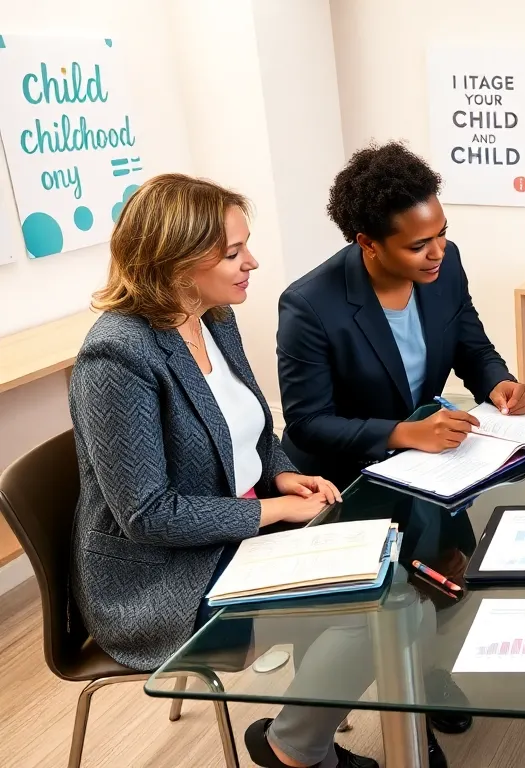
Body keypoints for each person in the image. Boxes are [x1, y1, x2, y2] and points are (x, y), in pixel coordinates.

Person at [68, 174, 394, 768]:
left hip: (233, 531)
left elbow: (249, 429)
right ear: (178, 261)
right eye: (234, 252)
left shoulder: (213, 316)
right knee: (367, 613)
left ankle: (304, 737)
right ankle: (294, 750)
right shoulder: (116, 357)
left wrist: (280, 475)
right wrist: (274, 509)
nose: (253, 262)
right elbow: (146, 515)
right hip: (162, 579)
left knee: (390, 568)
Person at [278, 142, 525, 490]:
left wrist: (499, 383)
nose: (437, 252)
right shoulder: (309, 304)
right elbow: (308, 423)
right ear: (368, 244)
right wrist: (405, 433)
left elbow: (471, 347)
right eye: (418, 246)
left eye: (442, 233)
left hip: (429, 465)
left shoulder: (447, 263)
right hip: (341, 480)